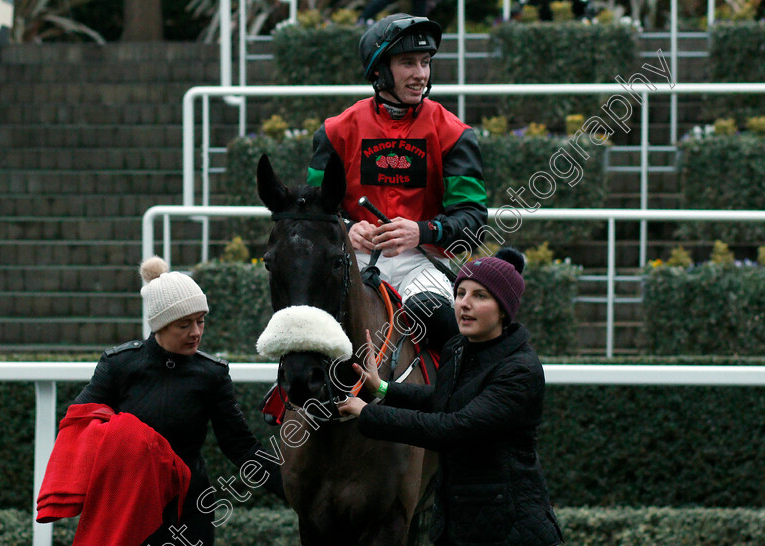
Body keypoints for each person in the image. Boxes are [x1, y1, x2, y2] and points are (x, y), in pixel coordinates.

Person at [338, 249, 564, 545]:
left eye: (480, 296)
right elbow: (445, 398)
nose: (464, 304)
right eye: (459, 293)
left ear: (504, 309)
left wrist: (366, 412)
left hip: (512, 530)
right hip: (456, 524)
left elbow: (451, 429)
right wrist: (382, 388)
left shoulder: (520, 370)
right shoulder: (458, 348)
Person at [69, 256, 285, 545]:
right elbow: (78, 423)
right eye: (184, 325)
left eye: (200, 321)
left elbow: (241, 446)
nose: (195, 332)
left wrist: (292, 488)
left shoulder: (212, 374)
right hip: (128, 506)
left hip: (191, 508)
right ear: (160, 325)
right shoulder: (119, 365)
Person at [307, 13, 489, 353]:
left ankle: (457, 401)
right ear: (379, 70)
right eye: (408, 63)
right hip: (352, 258)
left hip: (421, 261)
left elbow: (473, 220)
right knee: (306, 325)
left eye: (425, 62)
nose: (421, 74)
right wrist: (345, 227)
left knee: (438, 319)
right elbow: (314, 212)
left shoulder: (455, 134)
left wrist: (422, 231)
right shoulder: (334, 132)